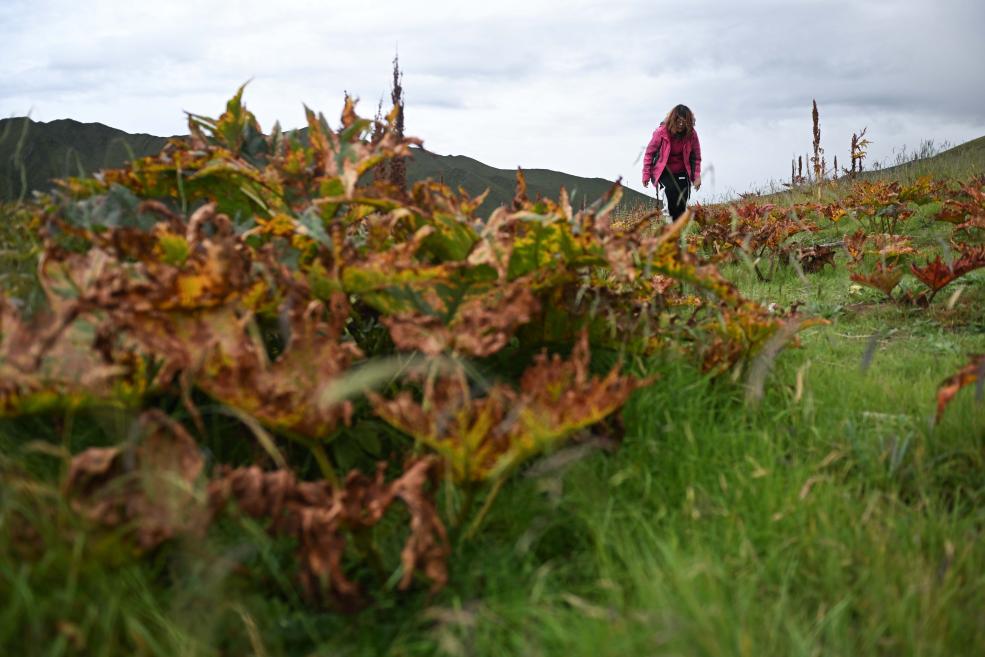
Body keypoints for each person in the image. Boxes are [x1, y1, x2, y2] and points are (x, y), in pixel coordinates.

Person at [641, 104, 702, 220]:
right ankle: (670, 229)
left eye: (684, 122)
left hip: (683, 171)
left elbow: (696, 157)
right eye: (678, 121)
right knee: (670, 195)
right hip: (664, 172)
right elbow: (649, 153)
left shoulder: (692, 135)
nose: (680, 124)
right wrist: (646, 175)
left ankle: (679, 229)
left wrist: (697, 176)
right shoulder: (661, 133)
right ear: (672, 120)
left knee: (682, 203)